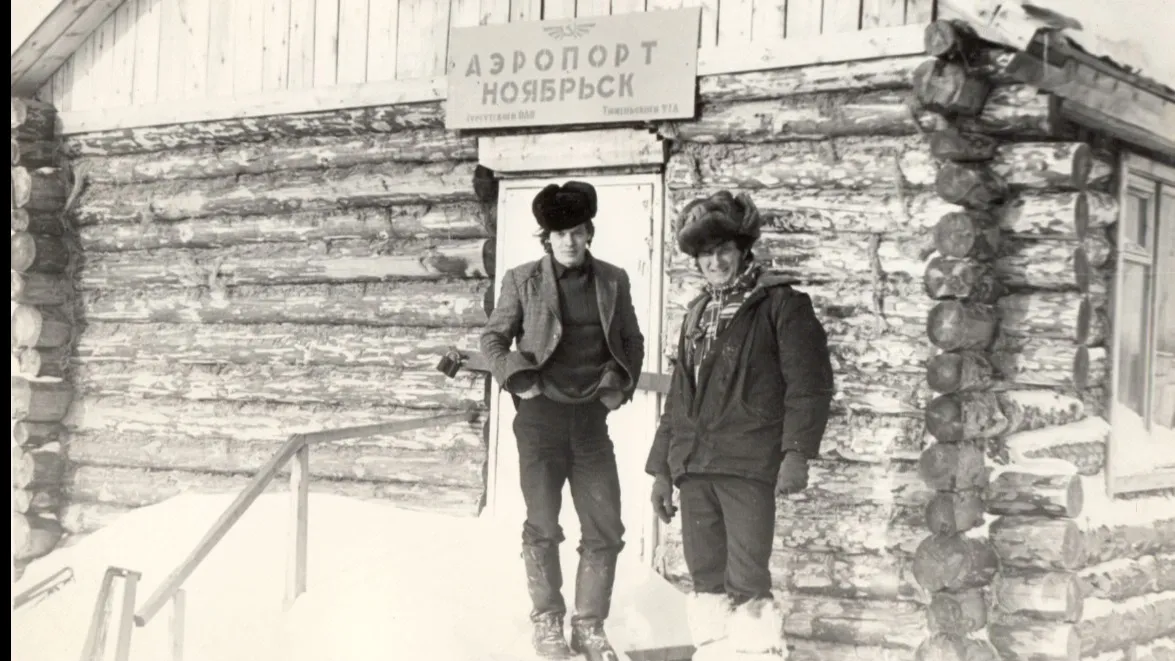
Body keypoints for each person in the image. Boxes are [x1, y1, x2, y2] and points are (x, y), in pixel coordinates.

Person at [644, 191, 834, 658]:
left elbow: (809, 386)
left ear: (743, 250)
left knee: (747, 581)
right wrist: (662, 472)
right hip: (694, 467)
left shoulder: (782, 306)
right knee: (705, 578)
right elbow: (681, 399)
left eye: (723, 250)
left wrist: (795, 454)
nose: (715, 261)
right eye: (705, 254)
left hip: (747, 465)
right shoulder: (696, 315)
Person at [481, 181, 645, 661]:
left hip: (591, 424)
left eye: (576, 231)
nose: (569, 242)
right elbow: (493, 341)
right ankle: (548, 621)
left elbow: (632, 340)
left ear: (589, 232)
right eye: (558, 234)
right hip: (539, 422)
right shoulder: (521, 280)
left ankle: (590, 626)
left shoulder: (613, 280)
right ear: (546, 238)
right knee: (543, 523)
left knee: (605, 527)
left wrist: (620, 383)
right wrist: (518, 379)